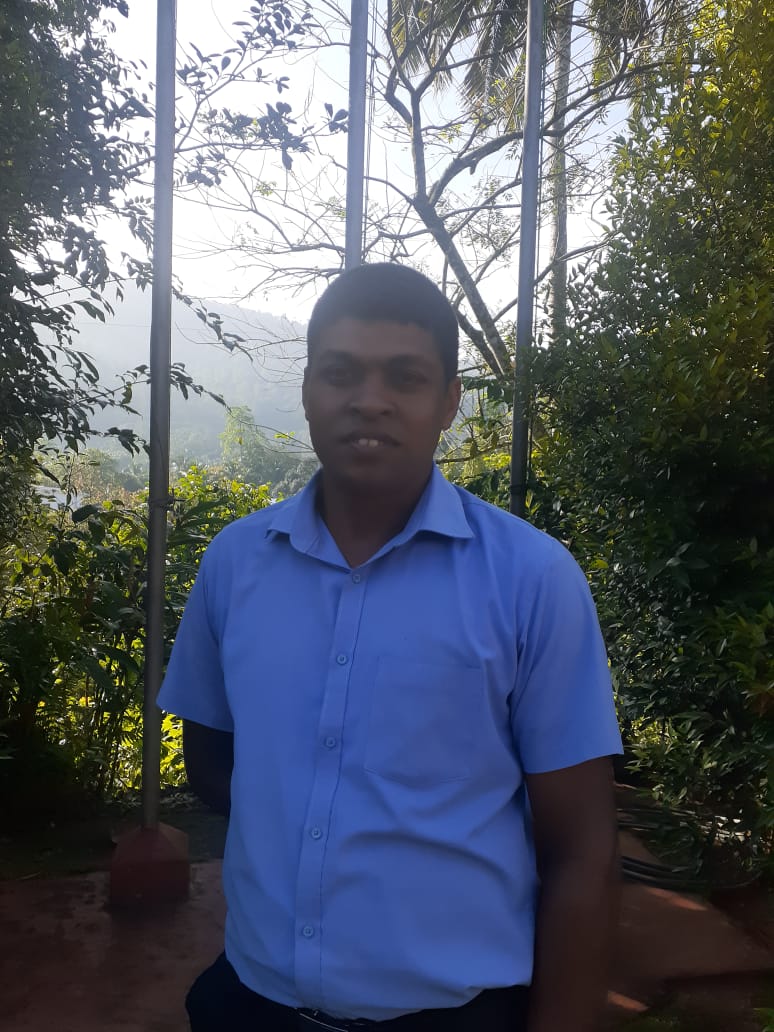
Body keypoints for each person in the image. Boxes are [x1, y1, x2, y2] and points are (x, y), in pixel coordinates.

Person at [158, 262, 622, 1032]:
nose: (368, 399)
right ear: (308, 389)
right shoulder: (235, 562)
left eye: (405, 377)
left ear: (449, 401)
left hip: (456, 1016)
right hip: (251, 1002)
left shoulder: (532, 580)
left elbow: (582, 849)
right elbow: (210, 758)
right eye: (340, 373)